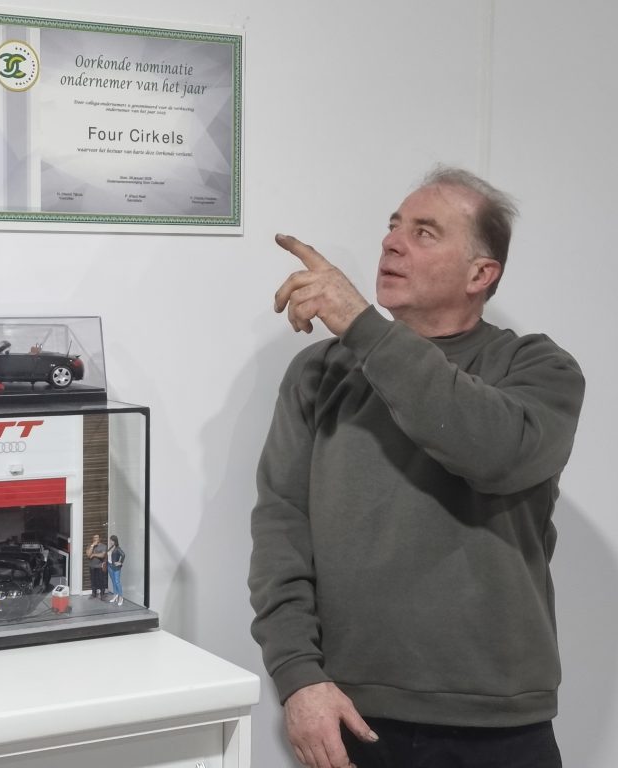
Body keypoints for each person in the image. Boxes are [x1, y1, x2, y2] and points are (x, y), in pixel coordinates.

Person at [248, 166, 585, 768]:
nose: (392, 242)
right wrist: (298, 677)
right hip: (351, 715)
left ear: (480, 274)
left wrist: (363, 327)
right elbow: (282, 531)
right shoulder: (319, 372)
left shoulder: (537, 368)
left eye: (424, 232)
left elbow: (493, 451)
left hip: (499, 725)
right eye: (393, 226)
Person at [86, 533, 108, 600]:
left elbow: (102, 555)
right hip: (92, 566)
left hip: (100, 566)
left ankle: (102, 594)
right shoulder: (90, 546)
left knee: (101, 581)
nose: (95, 539)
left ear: (99, 538)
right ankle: (94, 594)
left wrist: (94, 555)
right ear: (93, 539)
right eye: (94, 537)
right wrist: (92, 545)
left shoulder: (103, 546)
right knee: (93, 581)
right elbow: (88, 555)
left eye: (97, 537)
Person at [107, 534, 127, 606]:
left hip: (116, 567)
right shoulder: (111, 548)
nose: (110, 542)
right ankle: (115, 595)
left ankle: (121, 597)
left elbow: (123, 554)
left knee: (117, 582)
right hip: (109, 566)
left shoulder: (118, 548)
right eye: (110, 540)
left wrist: (120, 562)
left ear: (115, 541)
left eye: (111, 540)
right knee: (113, 582)